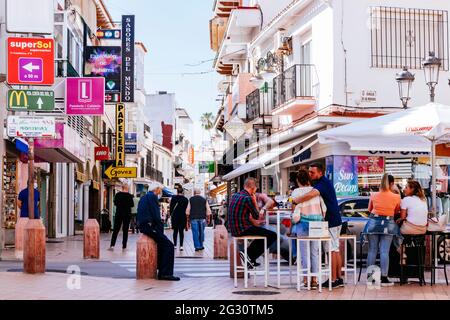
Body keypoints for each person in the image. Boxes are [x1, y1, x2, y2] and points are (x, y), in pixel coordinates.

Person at [292, 162, 344, 289]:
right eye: (309, 172)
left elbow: (311, 194)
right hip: (335, 220)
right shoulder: (323, 182)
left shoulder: (322, 184)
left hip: (331, 221)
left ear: (320, 172)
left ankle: (332, 280)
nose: (310, 174)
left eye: (312, 172)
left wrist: (296, 200)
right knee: (335, 250)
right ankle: (337, 278)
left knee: (331, 250)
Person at [228, 177, 277, 269]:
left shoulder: (235, 195)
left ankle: (250, 259)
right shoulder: (248, 198)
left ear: (244, 185)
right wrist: (254, 201)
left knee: (262, 232)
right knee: (272, 235)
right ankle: (249, 255)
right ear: (253, 188)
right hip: (243, 229)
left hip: (234, 229)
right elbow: (256, 216)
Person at [290, 170, 327, 289]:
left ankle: (306, 279)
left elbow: (295, 211)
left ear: (298, 180)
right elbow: (324, 209)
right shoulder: (316, 191)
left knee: (304, 253)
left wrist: (294, 220)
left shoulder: (295, 192)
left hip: (303, 224)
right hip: (317, 224)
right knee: (315, 253)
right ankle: (315, 280)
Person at [137, 182, 179, 281]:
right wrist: (159, 228)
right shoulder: (153, 197)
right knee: (169, 246)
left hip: (145, 225)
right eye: (160, 190)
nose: (161, 192)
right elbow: (156, 214)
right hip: (150, 227)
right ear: (156, 189)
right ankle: (166, 273)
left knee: (161, 246)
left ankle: (161, 270)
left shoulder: (144, 197)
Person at [365, 173, 401, 286]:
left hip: (374, 222)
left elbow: (369, 209)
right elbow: (397, 211)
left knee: (372, 250)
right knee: (384, 251)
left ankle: (371, 278)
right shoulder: (396, 196)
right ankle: (384, 277)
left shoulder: (373, 194)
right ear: (392, 183)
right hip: (388, 223)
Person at [393, 180, 428, 260]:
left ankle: (400, 249)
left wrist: (399, 219)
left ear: (412, 189)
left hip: (410, 229)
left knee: (394, 230)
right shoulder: (424, 199)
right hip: (422, 230)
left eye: (406, 187)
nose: (404, 189)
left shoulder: (406, 199)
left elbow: (402, 217)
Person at [109, 184, 134, 251]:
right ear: (127, 188)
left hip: (119, 214)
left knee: (116, 230)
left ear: (122, 188)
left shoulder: (118, 195)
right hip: (127, 215)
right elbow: (132, 205)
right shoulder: (129, 196)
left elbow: (115, 203)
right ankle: (124, 246)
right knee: (125, 230)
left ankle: (112, 245)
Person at [170, 186, 189, 251]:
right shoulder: (185, 199)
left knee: (175, 231)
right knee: (181, 231)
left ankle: (175, 245)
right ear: (182, 192)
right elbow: (187, 209)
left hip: (175, 216)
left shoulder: (173, 198)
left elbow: (171, 208)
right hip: (182, 216)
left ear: (177, 191)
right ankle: (181, 246)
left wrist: (170, 215)